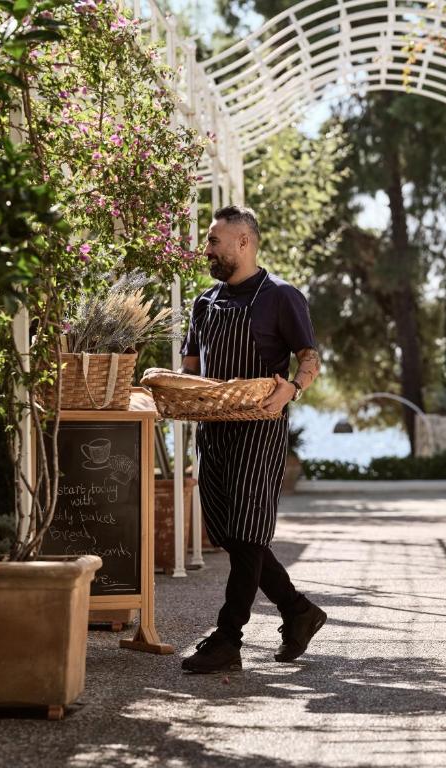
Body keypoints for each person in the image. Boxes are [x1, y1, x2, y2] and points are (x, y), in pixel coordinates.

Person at [179, 205, 325, 674]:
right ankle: (298, 611)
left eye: (214, 240)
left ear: (244, 242)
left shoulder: (281, 296)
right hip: (213, 430)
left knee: (247, 530)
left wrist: (293, 389)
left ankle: (228, 638)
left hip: (259, 429)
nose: (207, 249)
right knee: (229, 534)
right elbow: (191, 372)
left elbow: (309, 358)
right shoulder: (204, 303)